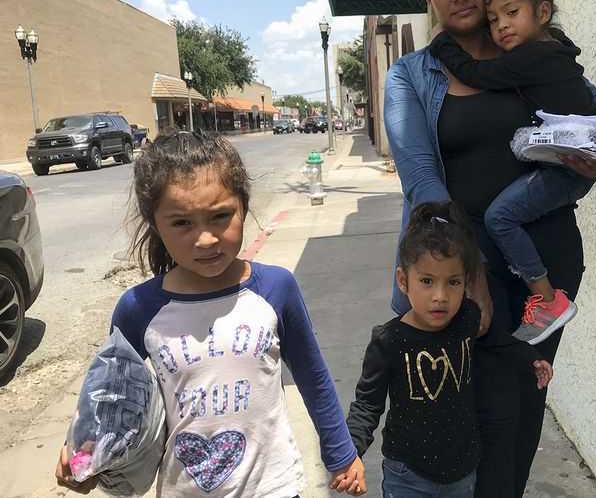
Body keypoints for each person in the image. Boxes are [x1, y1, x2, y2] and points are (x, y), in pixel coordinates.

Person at [384, 0, 596, 496]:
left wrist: (593, 154)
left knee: (525, 409)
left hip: (547, 262)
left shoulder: (528, 52)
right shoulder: (411, 76)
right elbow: (423, 183)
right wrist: (476, 277)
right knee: (480, 415)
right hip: (467, 270)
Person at [55, 130, 366, 497]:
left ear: (244, 208)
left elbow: (313, 375)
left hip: (273, 487)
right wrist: (83, 450)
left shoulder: (276, 289)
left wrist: (341, 452)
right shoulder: (138, 308)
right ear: (155, 224)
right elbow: (110, 394)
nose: (204, 239)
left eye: (219, 216)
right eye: (182, 223)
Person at [428, 0, 596, 345]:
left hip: (563, 174)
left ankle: (545, 298)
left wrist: (441, 43)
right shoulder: (555, 49)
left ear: (542, 13)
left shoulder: (529, 58)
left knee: (501, 217)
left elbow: (474, 72)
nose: (502, 26)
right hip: (562, 168)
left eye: (511, 13)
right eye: (494, 19)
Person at [346, 201, 553, 498]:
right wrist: (350, 451)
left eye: (453, 282)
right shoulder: (389, 341)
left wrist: (529, 358)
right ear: (404, 280)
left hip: (462, 472)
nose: (440, 296)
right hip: (408, 474)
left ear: (466, 282)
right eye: (427, 281)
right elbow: (367, 404)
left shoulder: (466, 318)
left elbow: (494, 339)